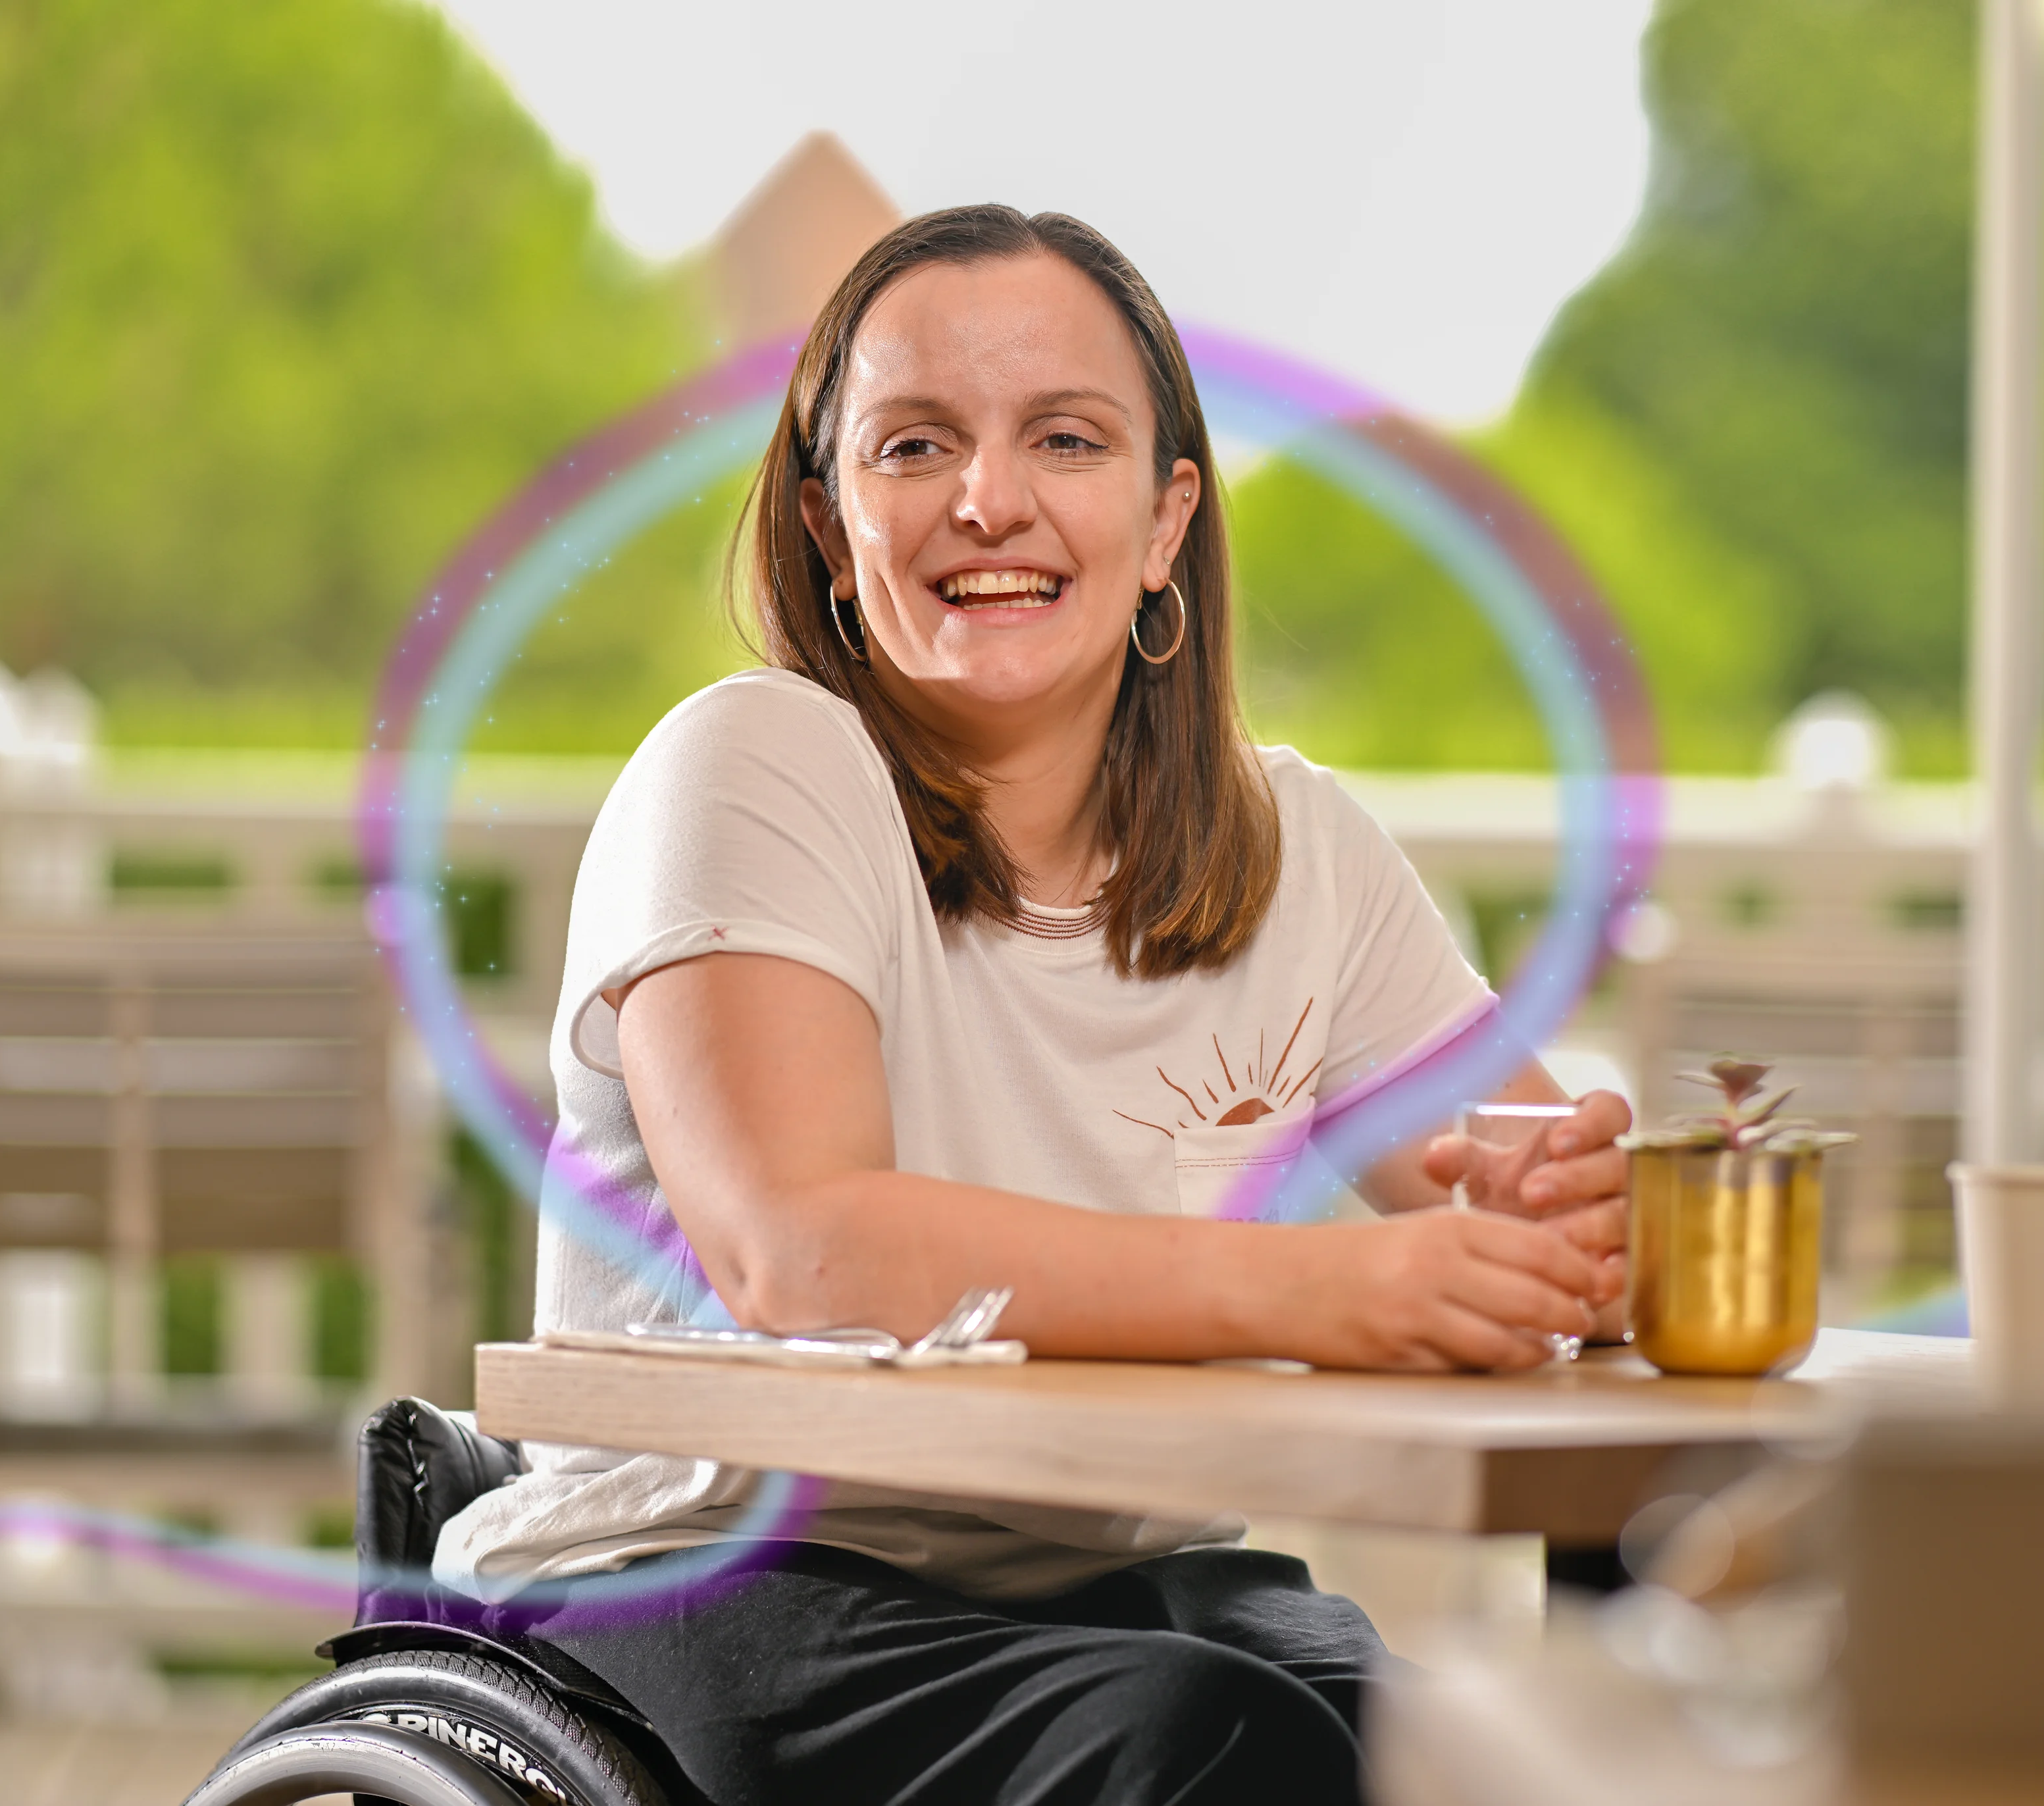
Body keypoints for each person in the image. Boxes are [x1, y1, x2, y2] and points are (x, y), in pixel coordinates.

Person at [432, 204, 1633, 1806]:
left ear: (1162, 521)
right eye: (914, 445)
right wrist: (1324, 1289)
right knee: (1220, 1741)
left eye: (1064, 439)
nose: (987, 500)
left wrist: (1575, 1224)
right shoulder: (756, 766)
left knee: (1495, 1757)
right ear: (826, 522)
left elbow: (1533, 1217)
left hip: (1114, 1582)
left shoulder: (1300, 852)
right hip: (712, 1577)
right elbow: (802, 1249)